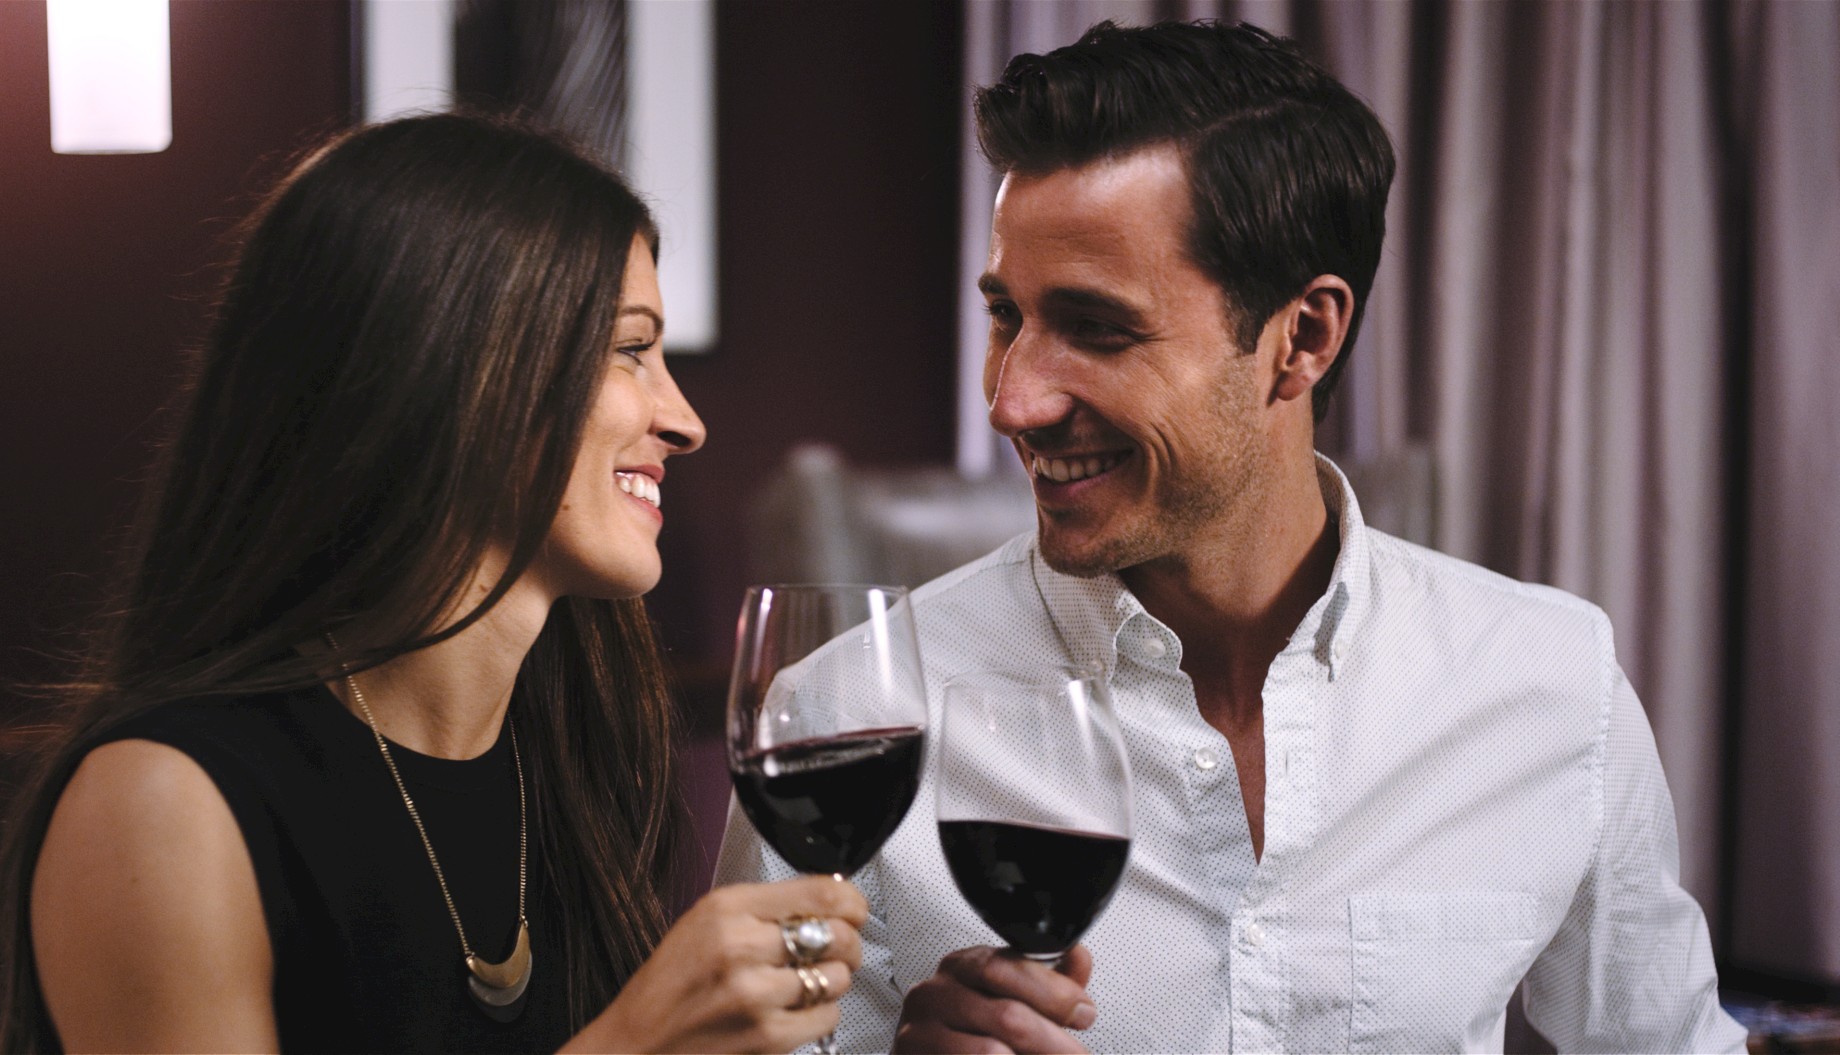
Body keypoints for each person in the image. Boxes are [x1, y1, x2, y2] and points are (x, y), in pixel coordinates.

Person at [716, 20, 1748, 1054]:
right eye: (1006, 315)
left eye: (1096, 327)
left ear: (1300, 337)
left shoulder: (1546, 681)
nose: (1012, 400)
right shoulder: (842, 724)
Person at [0, 112, 865, 1054]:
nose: (682, 421)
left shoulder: (571, 747)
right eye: (630, 348)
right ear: (454, 367)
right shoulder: (161, 801)